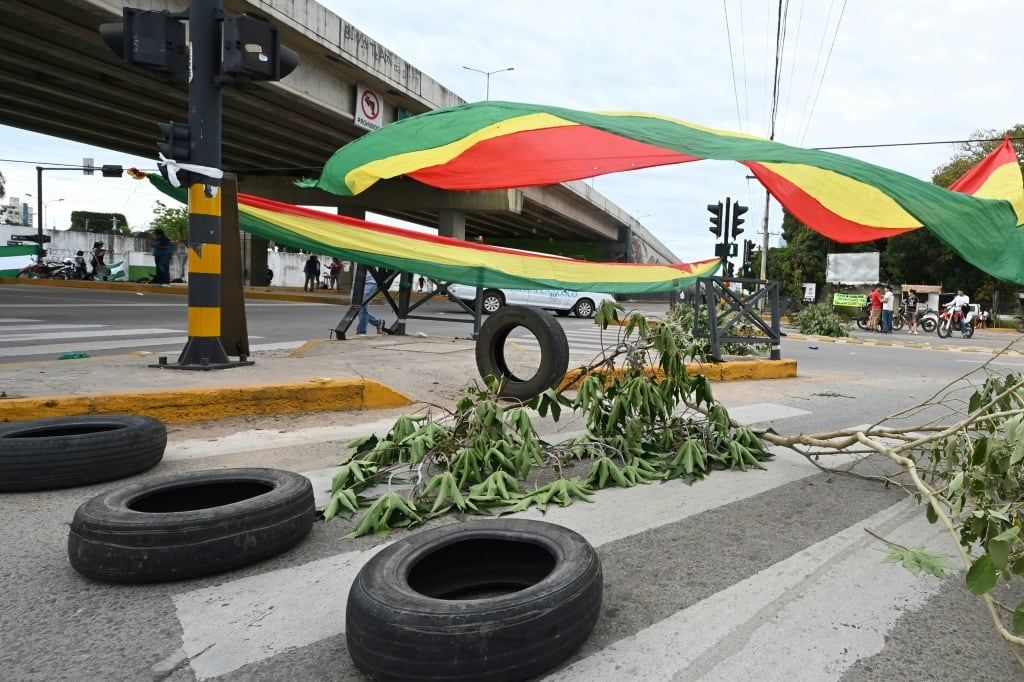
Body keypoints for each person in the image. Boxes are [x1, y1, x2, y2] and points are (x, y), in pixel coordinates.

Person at [353, 264, 386, 335]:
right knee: (355, 307)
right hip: (357, 282)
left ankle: (361, 332)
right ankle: (378, 322)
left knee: (361, 307)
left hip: (370, 282)